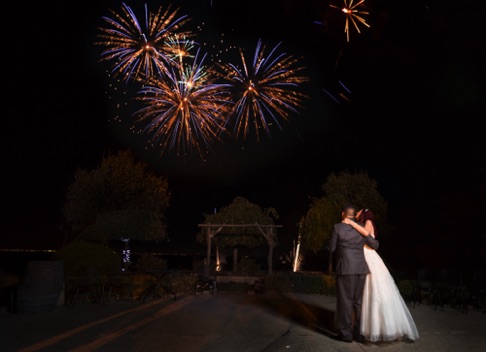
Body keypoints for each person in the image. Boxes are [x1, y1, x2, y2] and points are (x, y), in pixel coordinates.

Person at [343, 208, 420, 342]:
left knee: (373, 293)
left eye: (359, 211)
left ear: (365, 213)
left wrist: (352, 223)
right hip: (362, 257)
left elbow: (366, 233)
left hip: (369, 258)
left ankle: (373, 328)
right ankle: (358, 327)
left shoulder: (368, 222)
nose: (357, 212)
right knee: (363, 294)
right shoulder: (361, 224)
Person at [328, 204, 380, 343]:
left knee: (345, 301)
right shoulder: (361, 228)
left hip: (345, 268)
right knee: (358, 302)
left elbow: (332, 248)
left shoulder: (337, 228)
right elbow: (375, 245)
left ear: (342, 214)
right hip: (361, 269)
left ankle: (346, 335)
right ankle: (359, 334)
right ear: (353, 215)